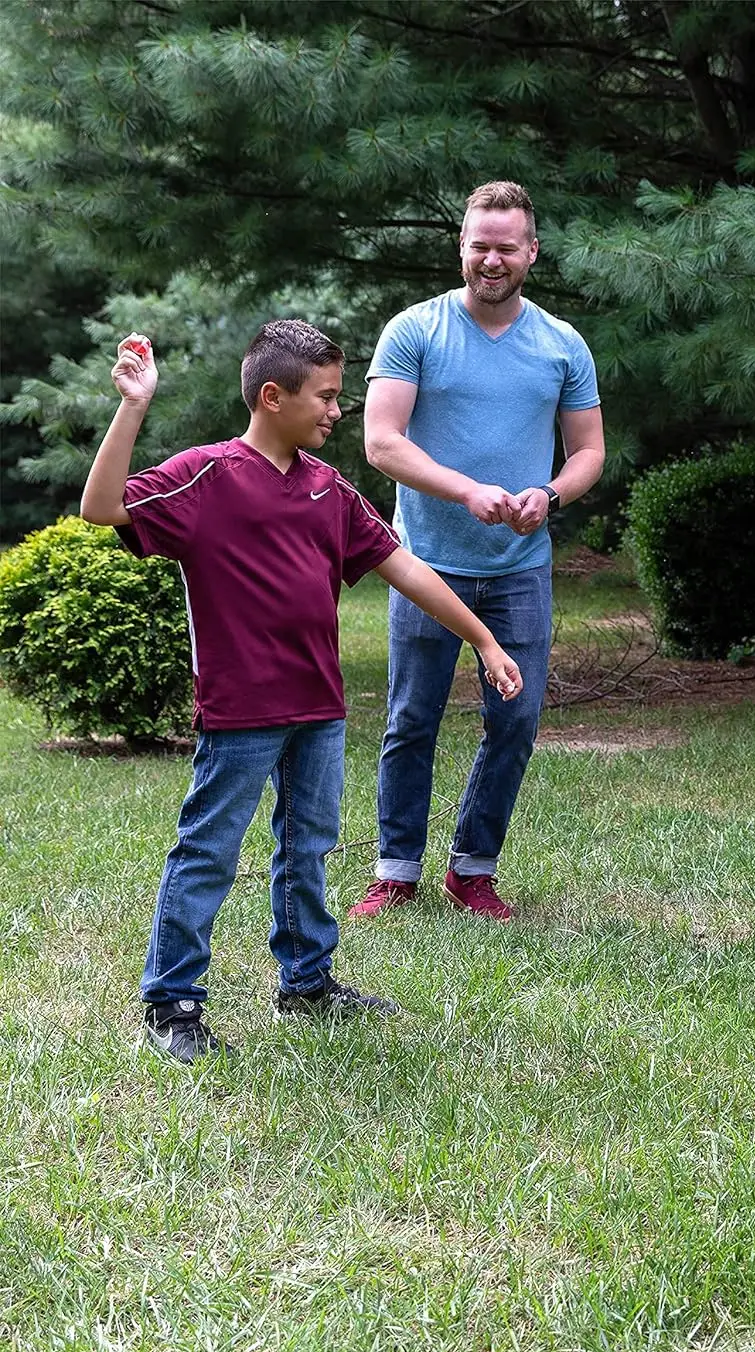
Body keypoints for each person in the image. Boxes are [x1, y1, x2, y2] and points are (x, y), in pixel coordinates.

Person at [79, 320, 524, 1064]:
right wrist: (134, 406)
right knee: (209, 852)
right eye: (325, 396)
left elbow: (404, 568)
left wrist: (482, 637)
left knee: (307, 848)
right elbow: (102, 507)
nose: (337, 410)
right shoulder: (206, 476)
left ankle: (307, 983)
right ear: (272, 396)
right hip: (240, 712)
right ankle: (171, 1002)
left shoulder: (328, 488)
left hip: (318, 709)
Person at [349, 179, 605, 923]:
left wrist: (549, 495)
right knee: (411, 718)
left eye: (506, 247)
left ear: (531, 251)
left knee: (516, 723)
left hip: (519, 569)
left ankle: (472, 870)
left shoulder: (562, 344)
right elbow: (381, 443)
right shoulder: (414, 331)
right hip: (426, 561)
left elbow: (588, 451)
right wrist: (466, 490)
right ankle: (395, 872)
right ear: (461, 247)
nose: (491, 260)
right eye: (479, 246)